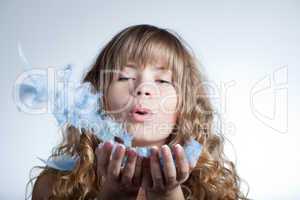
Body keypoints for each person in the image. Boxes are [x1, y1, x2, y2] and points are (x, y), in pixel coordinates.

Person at [28, 24, 248, 200]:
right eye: (124, 77)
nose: (144, 88)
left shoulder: (215, 189)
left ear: (184, 107)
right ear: (98, 98)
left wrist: (168, 195)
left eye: (162, 80)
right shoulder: (54, 186)